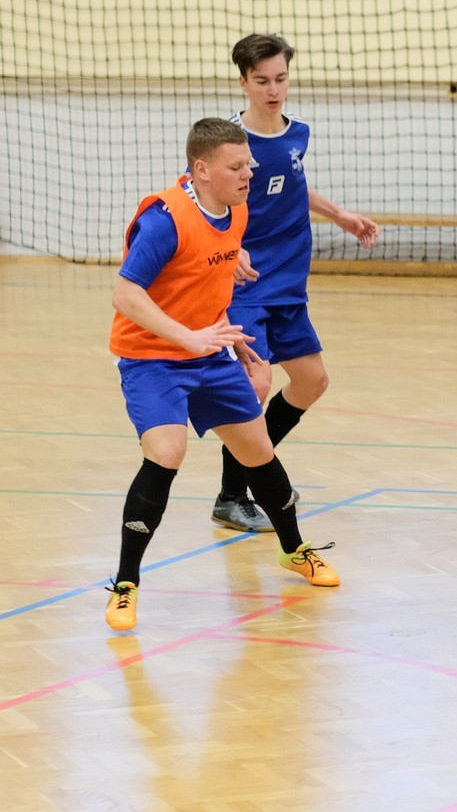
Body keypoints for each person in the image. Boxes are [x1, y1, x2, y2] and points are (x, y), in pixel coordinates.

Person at [106, 118, 340, 631]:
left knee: (257, 449)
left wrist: (229, 334)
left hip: (211, 352)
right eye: (236, 167)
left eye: (248, 165)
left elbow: (208, 269)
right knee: (167, 453)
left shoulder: (235, 209)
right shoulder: (164, 221)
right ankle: (125, 583)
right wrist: (187, 338)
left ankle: (294, 549)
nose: (248, 174)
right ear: (202, 169)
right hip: (152, 357)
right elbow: (125, 294)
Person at [210, 34, 381, 532]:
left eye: (280, 79)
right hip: (245, 282)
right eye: (262, 80)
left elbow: (294, 183)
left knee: (311, 381)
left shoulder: (297, 132)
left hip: (288, 279)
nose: (273, 89)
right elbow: (196, 197)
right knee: (256, 383)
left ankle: (255, 467)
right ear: (243, 82)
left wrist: (340, 214)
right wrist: (229, 245)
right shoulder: (229, 142)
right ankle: (231, 495)